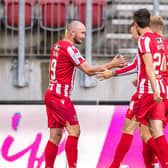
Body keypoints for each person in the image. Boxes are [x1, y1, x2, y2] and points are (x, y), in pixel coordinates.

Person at [44, 20, 127, 168]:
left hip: (51, 95)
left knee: (55, 136)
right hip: (60, 97)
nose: (83, 36)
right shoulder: (70, 48)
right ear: (72, 32)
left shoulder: (57, 45)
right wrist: (111, 65)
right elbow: (88, 71)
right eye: (82, 33)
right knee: (74, 131)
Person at [97, 9, 168, 168]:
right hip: (162, 92)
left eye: (132, 31)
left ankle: (114, 165)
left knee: (129, 128)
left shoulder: (144, 40)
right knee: (154, 131)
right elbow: (153, 67)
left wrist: (112, 73)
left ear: (136, 25)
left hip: (147, 92)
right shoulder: (160, 41)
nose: (132, 36)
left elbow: (145, 66)